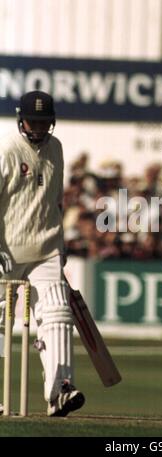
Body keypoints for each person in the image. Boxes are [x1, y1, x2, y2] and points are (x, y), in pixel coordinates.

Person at [0, 91, 85, 416]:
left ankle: (59, 391)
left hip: (46, 250)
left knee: (57, 314)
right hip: (6, 249)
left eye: (43, 121)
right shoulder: (6, 149)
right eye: (32, 121)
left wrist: (60, 247)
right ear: (21, 118)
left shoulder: (57, 149)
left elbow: (54, 203)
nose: (37, 127)